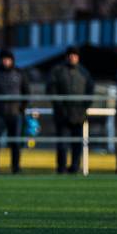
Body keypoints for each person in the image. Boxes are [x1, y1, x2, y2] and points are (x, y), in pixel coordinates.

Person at [47, 46, 94, 174]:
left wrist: (83, 108)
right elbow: (51, 90)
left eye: (75, 55)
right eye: (70, 55)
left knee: (77, 145)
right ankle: (61, 168)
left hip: (79, 116)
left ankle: (74, 167)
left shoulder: (84, 72)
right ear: (66, 56)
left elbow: (90, 91)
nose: (72, 57)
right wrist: (60, 107)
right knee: (62, 145)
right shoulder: (57, 71)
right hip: (62, 115)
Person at [0, 49, 30, 174]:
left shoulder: (20, 73)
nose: (5, 61)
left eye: (8, 59)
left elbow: (26, 93)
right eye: (3, 58)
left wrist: (21, 109)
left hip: (15, 114)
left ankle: (16, 168)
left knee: (15, 143)